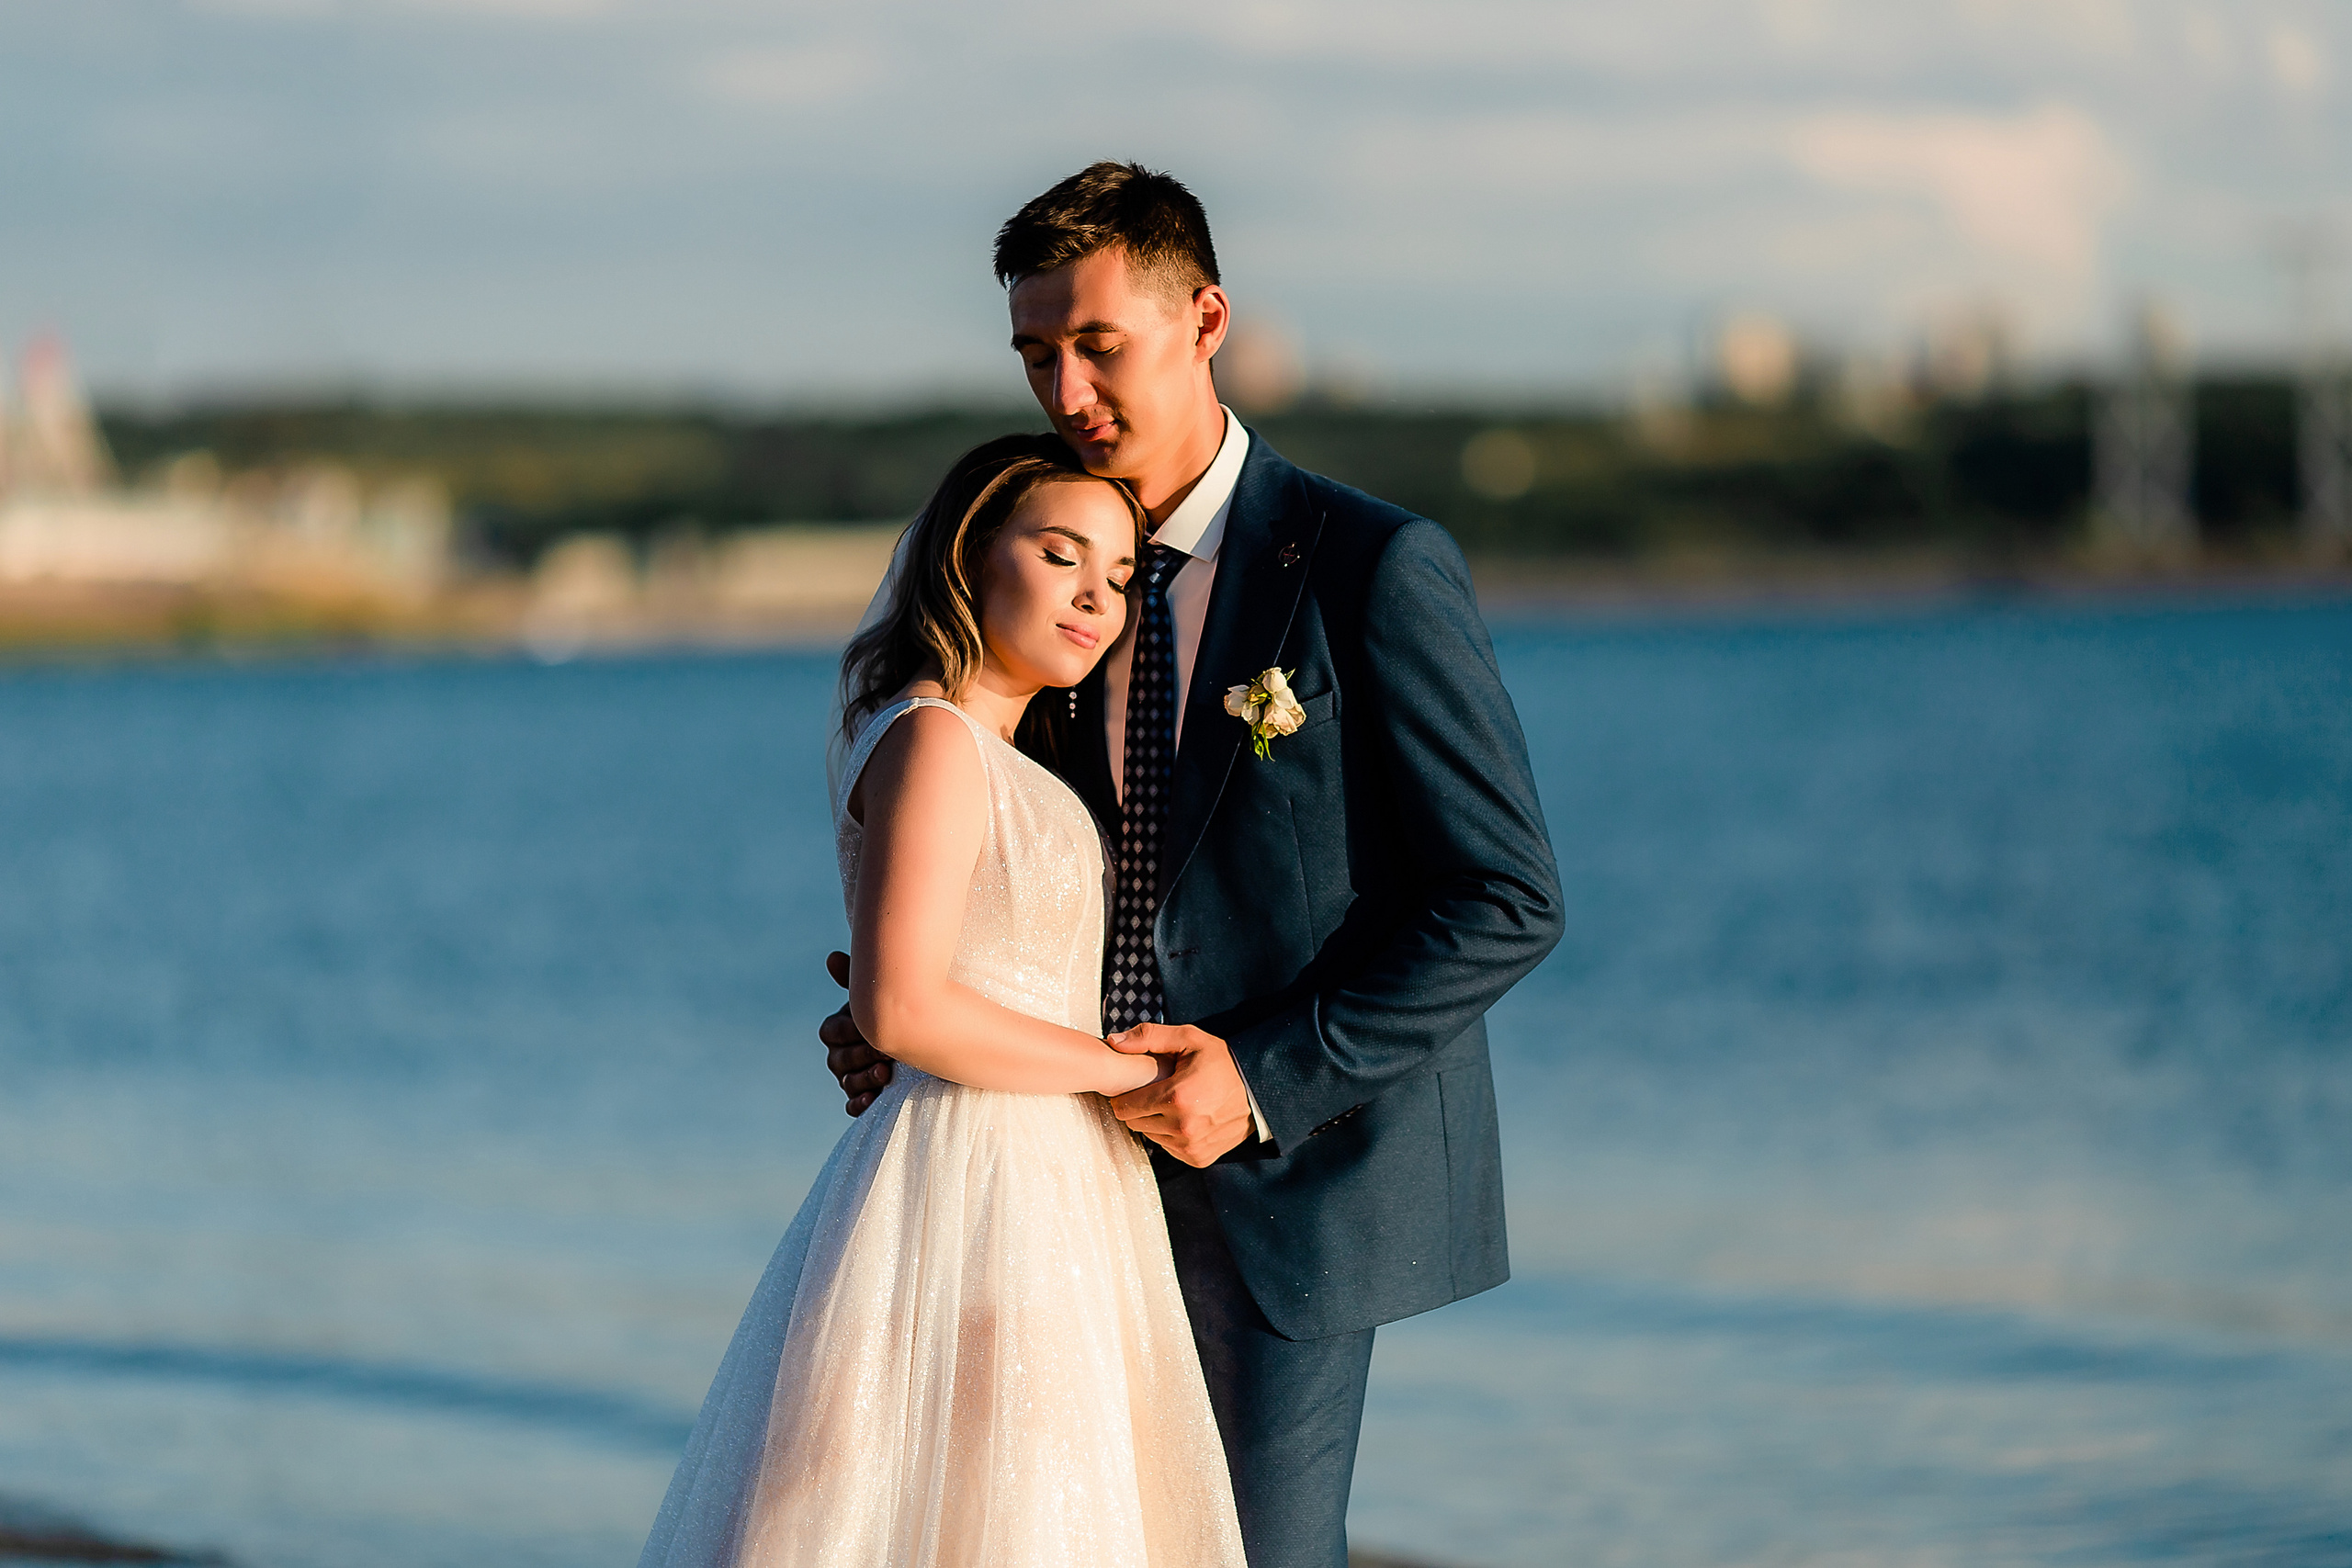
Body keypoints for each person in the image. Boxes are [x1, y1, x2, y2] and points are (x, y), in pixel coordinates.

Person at [821, 164, 1566, 1568]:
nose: (1066, 386)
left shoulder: (1368, 566)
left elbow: (1508, 897)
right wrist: (902, 1006)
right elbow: (989, 839)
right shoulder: (1039, 579)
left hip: (1285, 1177)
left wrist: (1261, 1074)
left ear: (1204, 316)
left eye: (1097, 342)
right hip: (1046, 1177)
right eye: (1037, 352)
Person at [639, 436, 1249, 1568]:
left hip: (1048, 1177)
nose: (1094, 597)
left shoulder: (994, 753)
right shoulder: (934, 739)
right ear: (972, 554)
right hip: (977, 1178)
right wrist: (1128, 1069)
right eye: (1061, 553)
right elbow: (903, 1009)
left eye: (1119, 577)